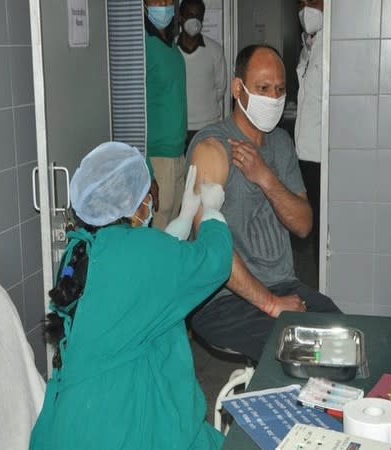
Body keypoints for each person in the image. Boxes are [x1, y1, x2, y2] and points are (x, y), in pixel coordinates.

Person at [29, 142, 233, 450]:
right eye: (149, 194)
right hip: (122, 425)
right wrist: (212, 212)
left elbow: (142, 271)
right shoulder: (141, 253)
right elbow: (213, 261)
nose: (153, 201)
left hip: (70, 425)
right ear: (133, 201)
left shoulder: (80, 250)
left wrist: (183, 216)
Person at [187, 44, 340, 362]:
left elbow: (303, 225)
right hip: (221, 299)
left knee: (343, 339)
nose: (272, 98)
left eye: (279, 90)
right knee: (311, 354)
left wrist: (265, 177)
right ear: (237, 89)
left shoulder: (281, 144)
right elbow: (213, 251)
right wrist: (271, 303)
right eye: (262, 88)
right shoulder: (211, 148)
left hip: (284, 285)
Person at [144, 0, 187, 230]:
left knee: (174, 232)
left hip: (177, 155)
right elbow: (132, 112)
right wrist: (146, 171)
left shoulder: (170, 45)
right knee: (158, 234)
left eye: (168, 0)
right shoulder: (142, 46)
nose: (163, 4)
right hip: (157, 157)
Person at [295, 0, 324, 277]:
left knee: (321, 224)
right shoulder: (308, 45)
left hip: (322, 154)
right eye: (301, 2)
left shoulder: (332, 44)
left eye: (313, 0)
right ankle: (318, 276)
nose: (306, 8)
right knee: (312, 222)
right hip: (305, 154)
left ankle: (323, 279)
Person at [177, 0, 227, 150]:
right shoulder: (171, 50)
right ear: (181, 17)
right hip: (178, 129)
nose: (195, 20)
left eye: (199, 16)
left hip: (208, 128)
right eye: (190, 15)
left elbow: (221, 88)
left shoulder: (215, 50)